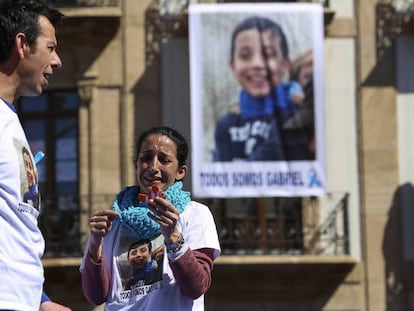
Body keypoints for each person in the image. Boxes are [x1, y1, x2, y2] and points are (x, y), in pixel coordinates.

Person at [81, 126, 221, 310]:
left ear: (181, 171)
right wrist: (94, 245)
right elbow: (96, 296)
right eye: (146, 159)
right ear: (135, 165)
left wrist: (174, 238)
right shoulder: (113, 221)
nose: (153, 167)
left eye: (165, 160)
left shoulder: (194, 214)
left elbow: (196, 287)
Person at [0, 0, 71, 310]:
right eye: (50, 47)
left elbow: (16, 221)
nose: (57, 61)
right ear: (21, 44)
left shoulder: (11, 120)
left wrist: (40, 300)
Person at [213, 16, 312, 162]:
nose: (257, 64)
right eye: (245, 55)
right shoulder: (225, 125)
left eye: (268, 54)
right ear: (232, 66)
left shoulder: (297, 116)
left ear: (285, 65)